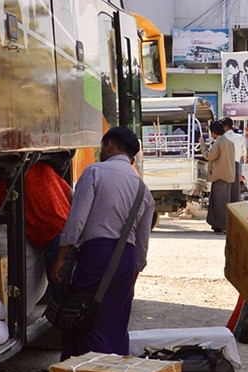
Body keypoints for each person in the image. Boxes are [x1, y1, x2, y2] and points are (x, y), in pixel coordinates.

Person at [51, 127, 153, 357]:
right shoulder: (142, 190)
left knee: (83, 316)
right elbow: (142, 244)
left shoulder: (95, 172)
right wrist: (133, 278)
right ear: (132, 157)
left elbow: (77, 219)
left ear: (108, 145)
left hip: (96, 255)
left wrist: (61, 255)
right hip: (126, 259)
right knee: (115, 321)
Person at [23, 159, 72, 278]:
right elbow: (72, 195)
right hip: (69, 234)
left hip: (53, 241)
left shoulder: (13, 177)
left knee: (60, 288)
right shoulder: (45, 169)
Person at [205, 119, 236, 232]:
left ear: (213, 132)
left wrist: (202, 145)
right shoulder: (229, 143)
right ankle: (218, 225)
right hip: (228, 177)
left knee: (218, 203)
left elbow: (209, 156)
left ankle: (222, 226)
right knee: (222, 202)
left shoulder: (219, 142)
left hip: (219, 177)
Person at [224, 116, 245, 201]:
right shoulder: (239, 137)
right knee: (235, 189)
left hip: (224, 165)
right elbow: (243, 153)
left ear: (225, 127)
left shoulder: (222, 138)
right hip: (236, 164)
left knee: (224, 189)